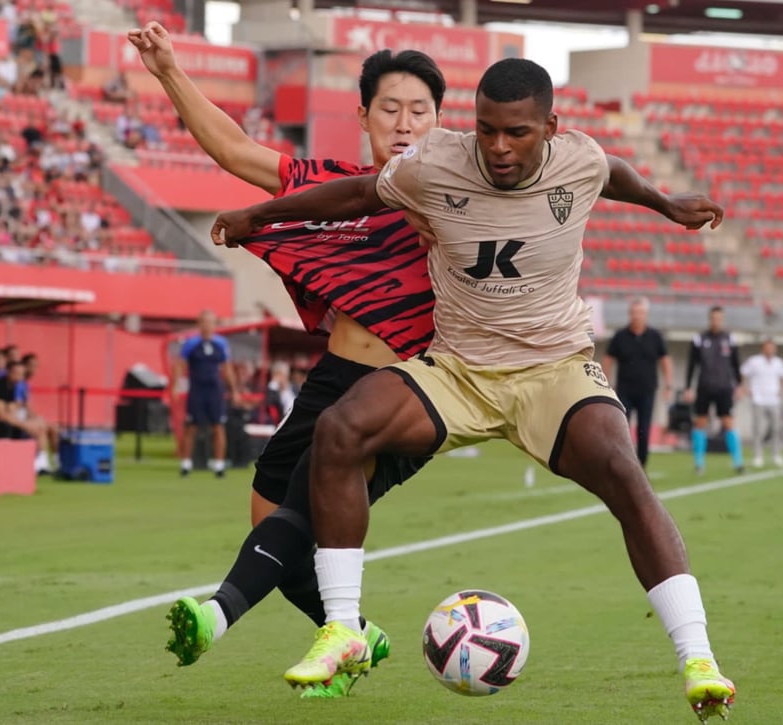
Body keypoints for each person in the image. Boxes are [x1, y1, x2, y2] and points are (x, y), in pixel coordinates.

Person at [211, 58, 735, 722]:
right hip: (458, 368)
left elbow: (615, 176)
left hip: (553, 369)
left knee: (623, 472)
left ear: (550, 127)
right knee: (339, 429)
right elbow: (355, 195)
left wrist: (665, 203)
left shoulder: (581, 161)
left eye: (515, 133)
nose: (497, 148)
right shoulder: (435, 163)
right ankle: (343, 630)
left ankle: (698, 657)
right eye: (486, 130)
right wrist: (261, 215)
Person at [128, 21, 442, 698]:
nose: (405, 122)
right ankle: (356, 628)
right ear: (363, 116)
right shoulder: (335, 189)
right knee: (269, 515)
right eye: (390, 108)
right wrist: (168, 71)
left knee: (302, 502)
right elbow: (237, 151)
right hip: (333, 378)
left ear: (441, 123)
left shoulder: (458, 200)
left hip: (407, 391)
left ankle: (218, 613)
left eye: (421, 110)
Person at [602, 296, 671, 467]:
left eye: (640, 313)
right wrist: (604, 383)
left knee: (644, 428)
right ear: (629, 314)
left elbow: (665, 361)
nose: (637, 316)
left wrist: (668, 384)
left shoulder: (655, 336)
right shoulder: (620, 336)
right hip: (624, 390)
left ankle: (641, 464)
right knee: (622, 428)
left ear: (646, 314)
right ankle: (623, 462)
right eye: (634, 313)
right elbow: (608, 360)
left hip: (647, 390)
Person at [177, 310, 237, 478]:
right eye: (204, 322)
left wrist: (234, 390)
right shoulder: (191, 343)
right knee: (191, 426)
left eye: (210, 322)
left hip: (214, 391)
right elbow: (180, 365)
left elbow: (227, 368)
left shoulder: (221, 344)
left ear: (215, 325)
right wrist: (175, 386)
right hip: (196, 390)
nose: (207, 325)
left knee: (218, 426)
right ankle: (186, 464)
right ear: (199, 324)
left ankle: (218, 465)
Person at [685, 307, 744, 475]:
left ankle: (738, 462)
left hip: (724, 387)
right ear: (709, 319)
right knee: (700, 423)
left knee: (728, 423)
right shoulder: (699, 339)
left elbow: (736, 364)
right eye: (713, 318)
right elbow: (692, 365)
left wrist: (739, 385)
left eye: (719, 318)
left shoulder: (730, 339)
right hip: (704, 386)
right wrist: (688, 387)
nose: (716, 321)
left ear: (722, 319)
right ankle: (699, 463)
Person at [739, 339, 783, 468]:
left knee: (776, 428)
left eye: (772, 348)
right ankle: (758, 456)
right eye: (767, 347)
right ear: (763, 348)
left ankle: (776, 455)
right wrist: (745, 389)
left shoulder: (779, 363)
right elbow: (742, 373)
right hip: (758, 399)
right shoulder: (754, 361)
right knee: (757, 429)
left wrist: (780, 391)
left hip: (774, 400)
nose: (770, 350)